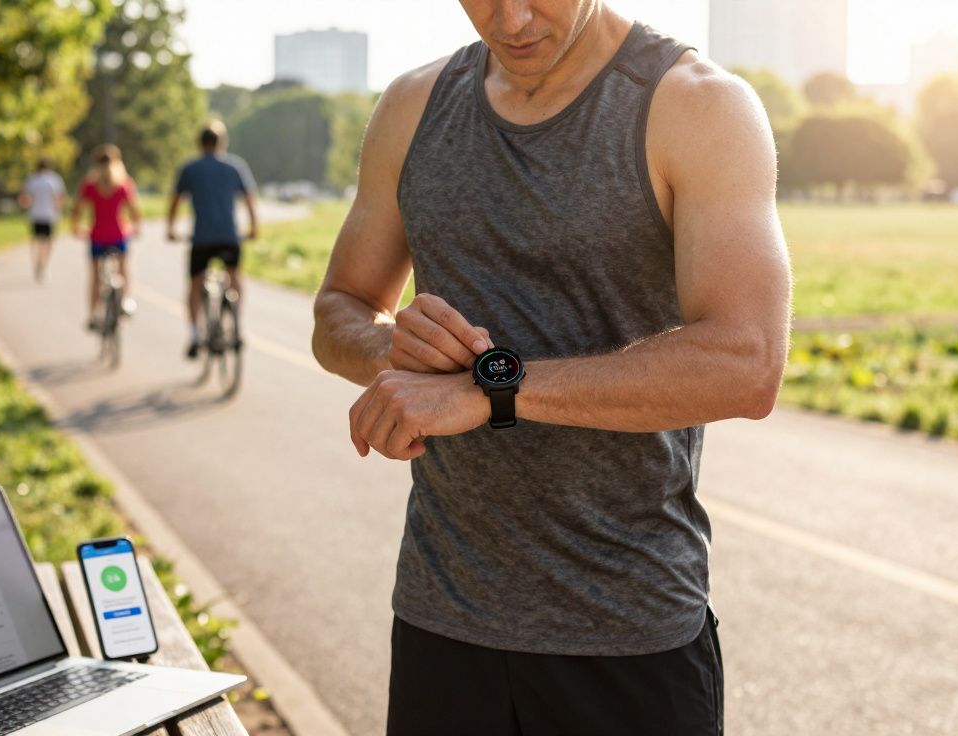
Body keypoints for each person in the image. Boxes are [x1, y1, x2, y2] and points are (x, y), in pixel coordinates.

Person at [311, 1, 791, 734]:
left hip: (628, 635)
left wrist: (494, 391)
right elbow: (339, 308)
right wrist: (393, 351)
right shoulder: (414, 106)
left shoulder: (695, 105)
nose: (511, 18)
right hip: (443, 622)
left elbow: (746, 362)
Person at [167, 121, 259, 358]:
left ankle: (194, 333)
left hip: (202, 238)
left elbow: (176, 201)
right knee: (235, 276)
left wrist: (171, 229)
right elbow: (249, 199)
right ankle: (237, 325)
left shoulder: (190, 168)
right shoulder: (235, 167)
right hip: (229, 236)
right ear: (222, 142)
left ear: (200, 143)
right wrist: (253, 227)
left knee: (196, 283)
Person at [72, 144, 141, 330]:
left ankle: (93, 315)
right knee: (123, 269)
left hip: (97, 237)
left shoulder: (90, 185)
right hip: (118, 235)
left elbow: (77, 210)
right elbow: (134, 210)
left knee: (95, 277)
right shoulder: (123, 184)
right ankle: (125, 300)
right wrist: (136, 227)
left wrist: (77, 227)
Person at [20, 159, 68, 282]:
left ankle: (37, 262)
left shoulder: (32, 179)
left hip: (35, 215)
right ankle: (43, 263)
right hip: (50, 216)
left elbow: (25, 199)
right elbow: (61, 198)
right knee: (48, 242)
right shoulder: (54, 179)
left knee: (37, 241)